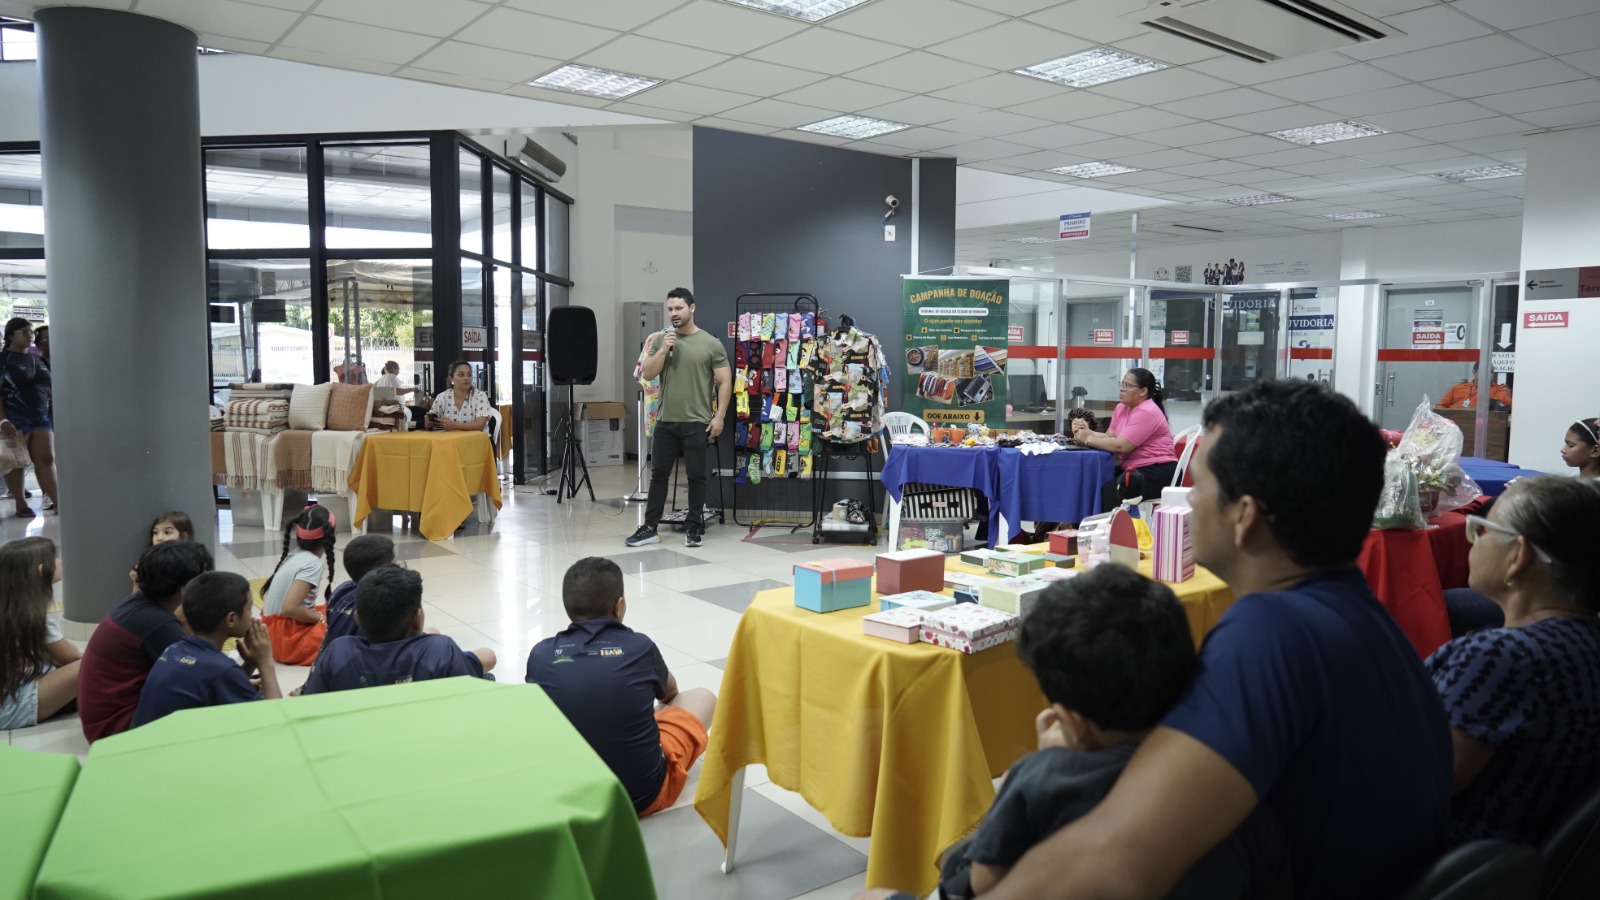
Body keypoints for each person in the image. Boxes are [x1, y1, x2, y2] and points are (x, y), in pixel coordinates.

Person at [864, 380, 1452, 900]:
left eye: (1198, 486)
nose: (1187, 501)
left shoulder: (1272, 634)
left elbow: (1114, 863)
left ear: (1245, 515)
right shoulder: (1363, 618)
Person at [938, 564, 1290, 900]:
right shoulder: (1233, 783)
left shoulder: (1040, 778)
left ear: (1069, 722)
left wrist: (1050, 759)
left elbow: (982, 882)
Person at [1425, 477, 1600, 845]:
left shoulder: (1500, 659)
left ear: (1518, 555)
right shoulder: (1584, 644)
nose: (1472, 541)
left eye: (1482, 529)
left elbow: (1413, 789)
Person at [527, 556, 716, 816]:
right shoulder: (639, 647)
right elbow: (670, 693)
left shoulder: (541, 654)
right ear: (620, 606)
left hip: (566, 795)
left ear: (568, 607)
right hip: (641, 795)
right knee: (703, 697)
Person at [625, 287, 731, 549]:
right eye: (670, 309)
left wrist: (719, 417)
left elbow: (725, 381)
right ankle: (650, 528)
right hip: (666, 421)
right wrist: (663, 350)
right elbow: (646, 374)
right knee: (658, 475)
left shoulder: (710, 343)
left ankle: (694, 527)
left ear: (691, 308)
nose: (674, 313)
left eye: (679, 308)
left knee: (697, 476)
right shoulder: (661, 339)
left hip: (697, 421)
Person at [78, 541, 215, 742]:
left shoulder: (138, 603)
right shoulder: (157, 623)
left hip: (102, 722)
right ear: (183, 589)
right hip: (116, 731)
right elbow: (200, 674)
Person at [300, 565, 495, 694]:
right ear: (417, 619)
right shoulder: (440, 649)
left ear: (357, 618)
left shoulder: (339, 652)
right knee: (487, 672)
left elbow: (310, 704)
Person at [133, 572, 282, 727]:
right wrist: (265, 664)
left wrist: (250, 664)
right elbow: (277, 721)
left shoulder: (173, 649)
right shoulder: (221, 669)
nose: (253, 615)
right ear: (231, 619)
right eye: (249, 608)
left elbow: (216, 686)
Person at [0, 537, 81, 729]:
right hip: (10, 704)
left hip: (14, 690)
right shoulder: (31, 615)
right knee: (93, 664)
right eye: (55, 557)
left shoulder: (10, 605)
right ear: (41, 570)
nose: (60, 561)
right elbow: (71, 658)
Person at [1071, 367, 1178, 512]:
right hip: (1134, 469)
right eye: (1121, 384)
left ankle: (1112, 533)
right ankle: (1079, 528)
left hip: (1157, 471)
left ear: (1143, 391)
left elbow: (1121, 446)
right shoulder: (1121, 408)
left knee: (1110, 492)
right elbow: (1110, 437)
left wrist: (1087, 439)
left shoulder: (1147, 411)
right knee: (1091, 482)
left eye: (1127, 386)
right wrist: (1088, 431)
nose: (1122, 389)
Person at [261, 505, 337, 666]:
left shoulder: (296, 555)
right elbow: (290, 608)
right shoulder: (312, 564)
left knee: (334, 609)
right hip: (286, 639)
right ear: (331, 536)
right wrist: (321, 619)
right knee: (343, 630)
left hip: (272, 632)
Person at [0, 317, 58, 517]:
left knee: (47, 459)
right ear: (10, 335)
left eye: (31, 332)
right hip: (15, 417)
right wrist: (3, 420)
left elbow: (47, 386)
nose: (30, 335)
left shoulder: (37, 360)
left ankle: (58, 501)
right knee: (17, 462)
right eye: (24, 332)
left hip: (41, 416)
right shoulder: (3, 360)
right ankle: (21, 504)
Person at [319, 533, 395, 650]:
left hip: (334, 655)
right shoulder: (381, 601)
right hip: (360, 661)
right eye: (396, 565)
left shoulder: (341, 590)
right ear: (384, 572)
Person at [127, 510, 195, 592]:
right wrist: (137, 581)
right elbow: (136, 600)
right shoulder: (146, 563)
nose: (159, 538)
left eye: (167, 532)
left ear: (185, 536)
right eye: (155, 532)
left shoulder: (190, 564)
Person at [427, 359, 492, 432]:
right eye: (461, 375)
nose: (466, 378)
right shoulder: (442, 397)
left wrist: (453, 425)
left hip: (476, 440)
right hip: (450, 440)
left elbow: (480, 426)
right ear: (451, 379)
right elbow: (434, 421)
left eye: (469, 374)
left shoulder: (480, 396)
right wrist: (429, 423)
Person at [1436, 363, 1512, 410]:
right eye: (1483, 371)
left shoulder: (1500, 389)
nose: (1487, 374)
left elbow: (1504, 402)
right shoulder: (1458, 388)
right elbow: (1440, 407)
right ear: (1474, 372)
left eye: (1490, 372)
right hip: (1454, 425)